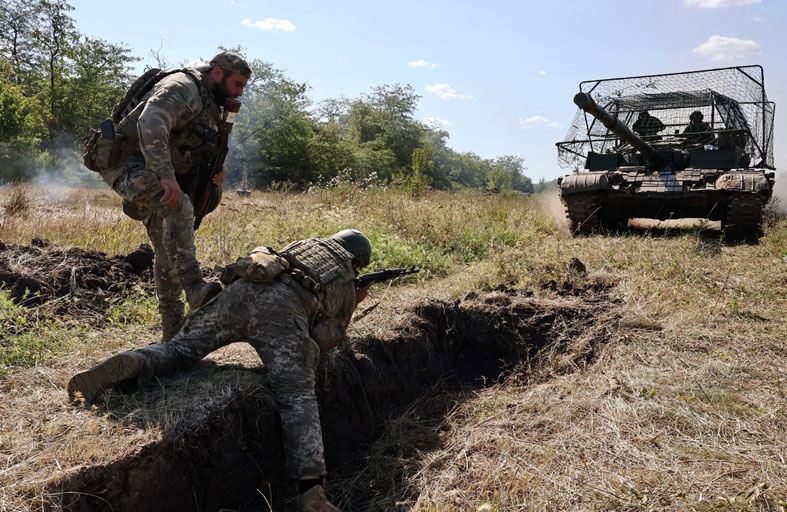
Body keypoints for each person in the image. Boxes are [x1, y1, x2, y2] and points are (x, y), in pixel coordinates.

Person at [68, 229, 374, 512]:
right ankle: (311, 493)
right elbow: (332, 335)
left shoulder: (303, 246)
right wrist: (353, 300)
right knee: (296, 396)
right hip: (283, 311)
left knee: (180, 349)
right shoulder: (344, 278)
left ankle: (136, 360)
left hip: (238, 294)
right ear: (356, 261)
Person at [98, 51, 253, 341]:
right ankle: (194, 286)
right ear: (217, 73)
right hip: (127, 163)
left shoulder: (211, 102)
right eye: (237, 83)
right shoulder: (183, 86)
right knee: (179, 205)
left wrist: (217, 170)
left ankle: (172, 333)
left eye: (244, 86)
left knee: (167, 251)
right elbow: (151, 123)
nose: (240, 91)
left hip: (154, 168)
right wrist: (167, 177)